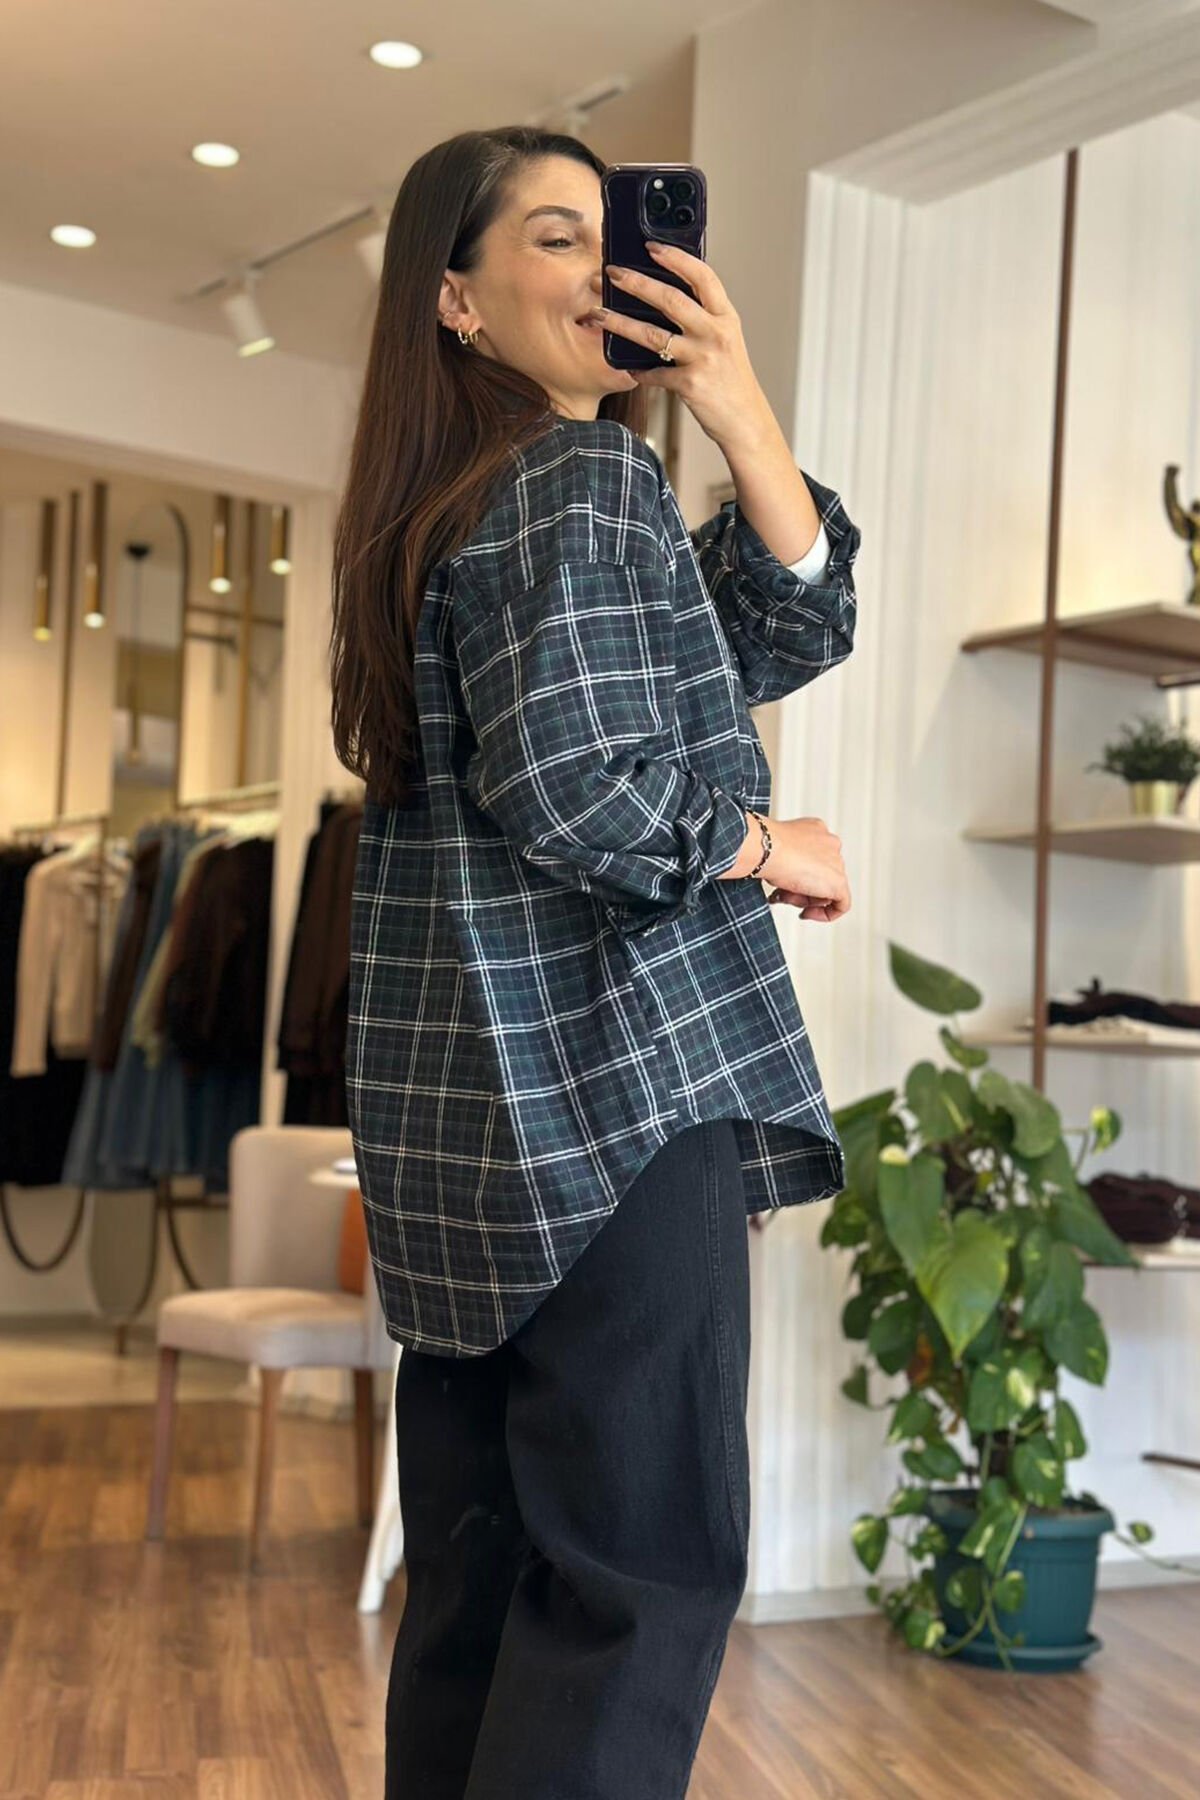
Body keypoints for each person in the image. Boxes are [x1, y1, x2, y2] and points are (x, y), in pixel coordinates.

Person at [330, 124, 862, 1800]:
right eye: (553, 239)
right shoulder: (577, 484)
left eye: (606, 236)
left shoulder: (443, 514)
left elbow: (784, 617)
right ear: (458, 301)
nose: (598, 268)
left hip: (473, 1137)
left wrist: (735, 404)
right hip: (620, 1100)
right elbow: (577, 786)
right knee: (638, 1579)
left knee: (481, 1590)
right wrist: (772, 846)